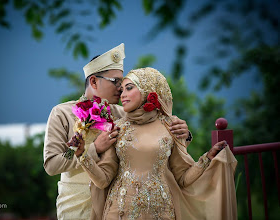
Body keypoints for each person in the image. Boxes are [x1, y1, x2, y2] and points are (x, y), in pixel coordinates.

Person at [43, 44, 191, 219]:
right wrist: (94, 149)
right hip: (77, 206)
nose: (121, 88)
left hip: (115, 206)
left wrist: (184, 133)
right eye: (115, 82)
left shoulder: (123, 114)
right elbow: (52, 165)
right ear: (93, 81)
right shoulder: (62, 113)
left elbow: (157, 140)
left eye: (123, 82)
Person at [74, 67, 237, 220]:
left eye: (129, 88)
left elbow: (182, 179)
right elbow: (103, 180)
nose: (122, 94)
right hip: (119, 212)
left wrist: (207, 158)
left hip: (162, 213)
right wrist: (82, 155)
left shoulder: (171, 125)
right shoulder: (116, 128)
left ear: (148, 90)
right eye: (122, 89)